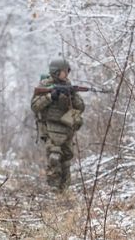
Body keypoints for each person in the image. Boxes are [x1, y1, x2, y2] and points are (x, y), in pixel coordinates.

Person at [30, 58, 85, 192]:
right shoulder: (45, 85)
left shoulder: (69, 85)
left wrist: (72, 96)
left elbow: (81, 107)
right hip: (50, 128)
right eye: (63, 71)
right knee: (54, 157)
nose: (66, 74)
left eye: (67, 71)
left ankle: (64, 190)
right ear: (55, 72)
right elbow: (35, 106)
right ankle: (53, 189)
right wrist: (51, 96)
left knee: (66, 159)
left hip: (66, 128)